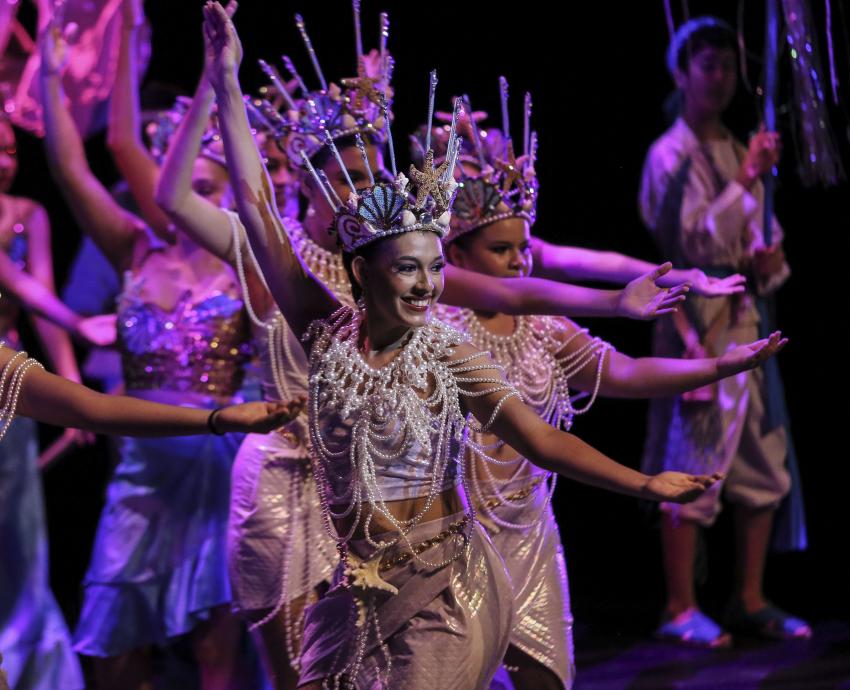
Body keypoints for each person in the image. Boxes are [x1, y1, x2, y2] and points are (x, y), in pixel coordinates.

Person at [202, 5, 745, 686]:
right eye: (410, 268)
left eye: (436, 268)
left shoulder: (448, 354)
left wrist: (645, 484)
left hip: (445, 595)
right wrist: (224, 80)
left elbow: (543, 441)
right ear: (363, 271)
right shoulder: (324, 333)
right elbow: (256, 209)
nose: (430, 285)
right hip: (358, 597)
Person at [39, 10, 259, 687]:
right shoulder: (137, 248)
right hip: (142, 470)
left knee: (216, 650)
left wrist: (213, 77)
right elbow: (74, 165)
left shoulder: (246, 269)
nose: (186, 200)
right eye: (182, 187)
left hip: (216, 467)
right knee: (110, 647)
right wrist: (50, 78)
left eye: (205, 189)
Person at [639, 16, 808, 646]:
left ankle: (750, 597)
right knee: (693, 458)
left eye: (728, 67)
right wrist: (743, 183)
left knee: (763, 462)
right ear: (681, 73)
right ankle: (680, 606)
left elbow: (763, 241)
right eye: (706, 65)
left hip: (745, 319)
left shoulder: (740, 149)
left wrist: (769, 260)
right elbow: (688, 240)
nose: (719, 78)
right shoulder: (667, 155)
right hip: (697, 321)